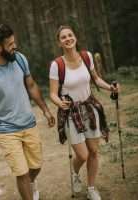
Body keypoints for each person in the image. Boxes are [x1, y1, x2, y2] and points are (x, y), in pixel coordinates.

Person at [0, 24, 55, 200]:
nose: (14, 46)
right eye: (10, 44)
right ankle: (27, 189)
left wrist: (46, 110)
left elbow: (31, 85)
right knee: (22, 173)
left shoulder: (19, 59)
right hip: (6, 130)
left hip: (29, 123)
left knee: (36, 167)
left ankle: (31, 183)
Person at [49, 25, 119, 200]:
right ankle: (75, 172)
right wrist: (60, 103)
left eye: (70, 35)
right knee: (82, 154)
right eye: (63, 37)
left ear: (75, 38)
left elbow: (95, 79)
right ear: (59, 43)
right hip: (71, 113)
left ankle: (91, 188)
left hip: (90, 107)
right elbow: (52, 93)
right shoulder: (56, 65)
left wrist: (110, 87)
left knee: (94, 151)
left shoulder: (87, 57)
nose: (68, 39)